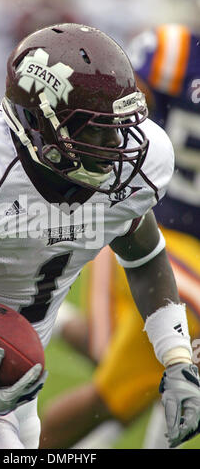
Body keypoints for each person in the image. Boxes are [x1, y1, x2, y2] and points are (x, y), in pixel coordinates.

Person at [0, 23, 199, 450]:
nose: (117, 145)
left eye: (119, 127)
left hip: (22, 372)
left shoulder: (133, 167)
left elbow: (145, 258)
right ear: (39, 125)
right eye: (96, 129)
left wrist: (177, 360)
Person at [39, 22, 200, 449]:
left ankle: (51, 313)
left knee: (133, 384)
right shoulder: (173, 51)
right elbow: (116, 125)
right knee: (123, 372)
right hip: (156, 229)